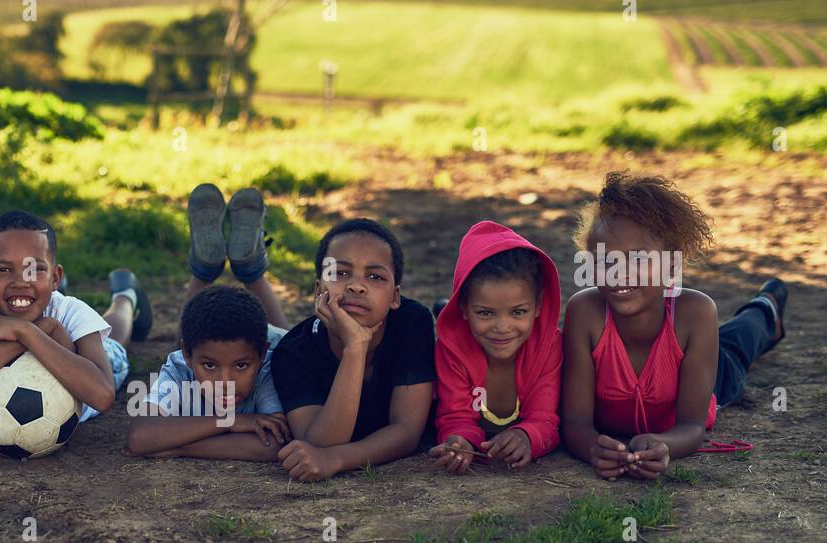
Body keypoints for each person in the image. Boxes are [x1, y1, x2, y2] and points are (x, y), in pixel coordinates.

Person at [561, 171, 789, 480]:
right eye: (605, 261)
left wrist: (666, 444)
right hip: (681, 351)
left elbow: (691, 427)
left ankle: (766, 308)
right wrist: (590, 448)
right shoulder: (584, 312)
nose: (618, 273)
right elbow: (574, 422)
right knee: (727, 339)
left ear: (671, 264)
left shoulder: (696, 312)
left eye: (638, 260)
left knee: (737, 343)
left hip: (709, 376)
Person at [0, 210, 152, 424]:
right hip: (40, 307)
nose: (20, 282)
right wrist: (38, 329)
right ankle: (45, 291)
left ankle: (125, 294)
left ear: (55, 276)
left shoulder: (71, 312)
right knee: (33, 297)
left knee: (113, 344)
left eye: (35, 269)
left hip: (90, 356)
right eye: (4, 269)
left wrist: (24, 330)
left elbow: (102, 396)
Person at [270, 218, 435, 482]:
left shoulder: (411, 322)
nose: (356, 286)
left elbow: (406, 431)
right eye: (340, 273)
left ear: (395, 296)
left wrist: (337, 460)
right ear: (318, 290)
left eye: (375, 276)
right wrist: (355, 347)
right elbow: (320, 444)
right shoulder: (293, 352)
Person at [430, 222, 562, 474]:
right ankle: (442, 311)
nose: (502, 327)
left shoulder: (550, 347)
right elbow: (455, 416)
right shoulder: (451, 350)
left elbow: (544, 418)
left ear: (539, 306)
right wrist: (460, 441)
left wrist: (527, 436)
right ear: (464, 309)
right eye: (485, 313)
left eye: (518, 312)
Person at [124, 285, 288, 461]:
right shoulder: (180, 370)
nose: (225, 383)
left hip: (282, 340)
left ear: (262, 355)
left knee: (290, 342)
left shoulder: (267, 370)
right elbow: (139, 436)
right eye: (210, 365)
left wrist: (181, 447)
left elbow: (275, 443)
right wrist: (231, 421)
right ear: (187, 354)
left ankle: (253, 272)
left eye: (241, 365)